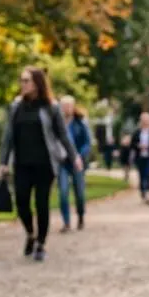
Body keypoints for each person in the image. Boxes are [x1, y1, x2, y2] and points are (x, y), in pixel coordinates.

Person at [0, 67, 75, 262]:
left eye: (26, 81)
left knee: (41, 203)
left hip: (45, 164)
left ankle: (41, 243)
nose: (22, 84)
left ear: (37, 83)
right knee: (21, 201)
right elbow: (8, 136)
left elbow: (62, 135)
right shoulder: (16, 106)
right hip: (22, 163)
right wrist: (3, 162)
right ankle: (30, 233)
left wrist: (74, 157)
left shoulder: (51, 107)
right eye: (21, 80)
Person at [57, 96, 93, 232]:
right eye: (63, 106)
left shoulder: (80, 122)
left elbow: (87, 142)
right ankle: (66, 222)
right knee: (63, 192)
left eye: (68, 106)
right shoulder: (57, 123)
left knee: (79, 192)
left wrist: (79, 155)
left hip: (77, 162)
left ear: (73, 107)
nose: (66, 109)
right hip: (62, 162)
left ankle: (81, 217)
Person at [131, 111, 149, 205]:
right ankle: (143, 192)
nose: (145, 122)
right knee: (141, 176)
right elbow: (132, 144)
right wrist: (139, 146)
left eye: (147, 120)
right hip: (140, 157)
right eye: (144, 120)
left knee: (148, 175)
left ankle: (148, 194)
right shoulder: (137, 132)